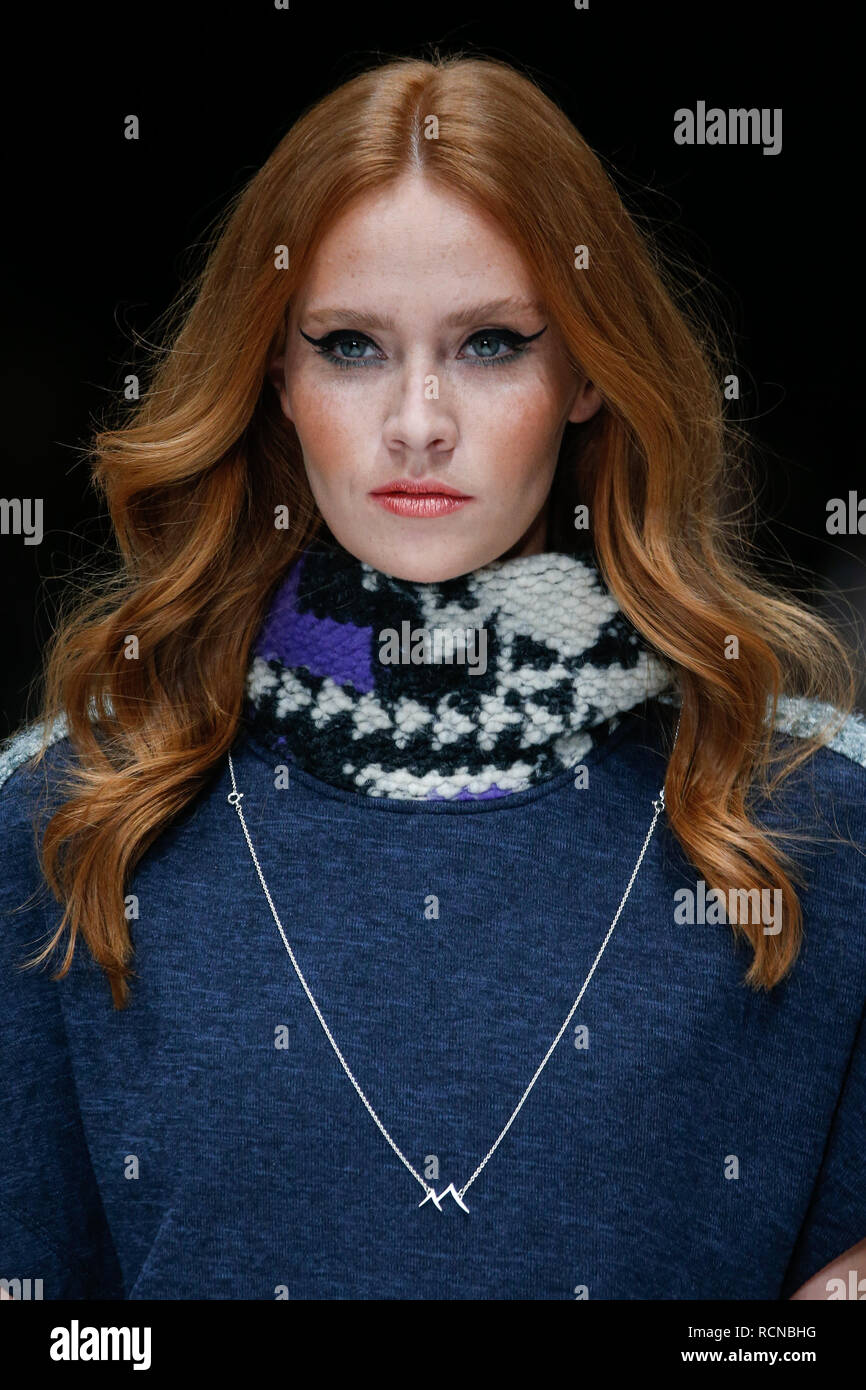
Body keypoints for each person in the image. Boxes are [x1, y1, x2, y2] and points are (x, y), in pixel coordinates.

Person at [1, 52, 864, 1302]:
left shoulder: (809, 821)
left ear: (584, 372)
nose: (417, 419)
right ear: (273, 377)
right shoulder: (71, 820)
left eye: (490, 345)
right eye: (350, 345)